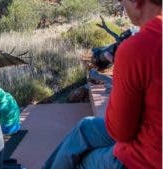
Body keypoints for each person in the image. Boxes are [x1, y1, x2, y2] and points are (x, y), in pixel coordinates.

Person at [43, 0, 162, 168]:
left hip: (146, 159)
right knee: (85, 127)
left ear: (136, 2)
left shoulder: (137, 48)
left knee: (80, 161)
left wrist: (121, 70)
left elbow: (120, 131)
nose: (123, 6)